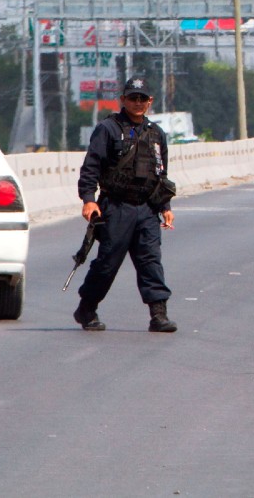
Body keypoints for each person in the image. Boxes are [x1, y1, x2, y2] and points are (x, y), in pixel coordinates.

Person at [74, 77, 177, 333]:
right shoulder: (108, 129)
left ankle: (158, 315)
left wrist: (165, 206)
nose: (138, 103)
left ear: (150, 101)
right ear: (123, 100)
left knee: (151, 261)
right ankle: (87, 308)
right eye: (133, 98)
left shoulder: (156, 133)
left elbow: (160, 174)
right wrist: (89, 200)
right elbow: (91, 167)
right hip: (116, 207)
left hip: (146, 209)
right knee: (108, 262)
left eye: (143, 98)